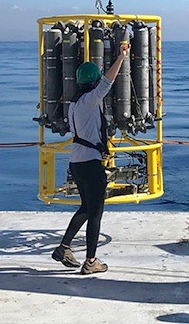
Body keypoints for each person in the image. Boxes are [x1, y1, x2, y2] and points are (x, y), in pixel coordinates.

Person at [52, 41, 130, 275]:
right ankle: (91, 261)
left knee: (86, 208)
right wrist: (121, 57)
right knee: (95, 213)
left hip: (77, 162)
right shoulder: (88, 100)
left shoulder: (75, 104)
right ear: (93, 81)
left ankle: (63, 248)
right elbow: (109, 81)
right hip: (89, 163)